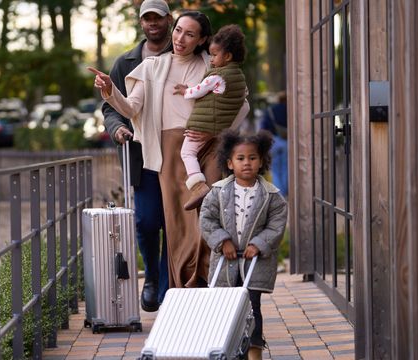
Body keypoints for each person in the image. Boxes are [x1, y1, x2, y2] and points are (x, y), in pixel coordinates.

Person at [90, 11, 250, 289]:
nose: (180, 38)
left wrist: (216, 131)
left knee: (210, 215)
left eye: (189, 34)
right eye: (178, 30)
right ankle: (183, 288)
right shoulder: (153, 66)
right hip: (171, 153)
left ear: (201, 39)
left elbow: (242, 105)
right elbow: (130, 108)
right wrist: (109, 90)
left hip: (210, 147)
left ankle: (211, 282)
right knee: (178, 225)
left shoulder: (211, 65)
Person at [101, 0, 173, 312]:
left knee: (176, 222)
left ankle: (169, 284)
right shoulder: (125, 62)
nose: (153, 23)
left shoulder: (184, 54)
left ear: (168, 19)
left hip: (179, 156)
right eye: (148, 18)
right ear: (141, 22)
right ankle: (153, 278)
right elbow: (110, 108)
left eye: (158, 17)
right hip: (140, 155)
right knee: (146, 220)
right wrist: (117, 129)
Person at [199, 128, 288, 360]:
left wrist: (259, 244)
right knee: (225, 307)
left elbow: (276, 225)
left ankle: (254, 352)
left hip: (254, 263)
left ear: (261, 161)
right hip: (225, 260)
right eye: (240, 158)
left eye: (252, 158)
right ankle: (227, 350)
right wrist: (222, 240)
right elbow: (207, 219)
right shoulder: (218, 192)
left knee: (252, 307)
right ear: (229, 163)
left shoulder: (272, 196)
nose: (246, 163)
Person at [173, 24, 249, 211]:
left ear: (228, 56)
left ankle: (199, 187)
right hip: (219, 127)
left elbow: (196, 92)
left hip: (203, 125)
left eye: (214, 55)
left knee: (187, 153)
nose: (212, 60)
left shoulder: (217, 76)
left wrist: (185, 90)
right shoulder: (239, 76)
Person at [258, 92, 288, 197]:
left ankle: (279, 194)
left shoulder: (270, 110)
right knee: (285, 168)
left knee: (275, 169)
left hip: (273, 142)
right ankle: (286, 193)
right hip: (287, 142)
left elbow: (262, 128)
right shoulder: (291, 109)